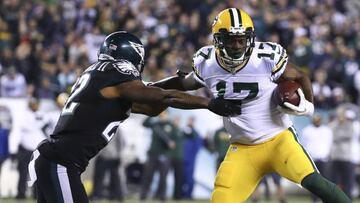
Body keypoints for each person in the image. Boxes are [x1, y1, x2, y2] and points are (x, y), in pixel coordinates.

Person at [150, 8, 351, 203]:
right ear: (218, 40)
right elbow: (183, 84)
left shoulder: (265, 59)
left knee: (317, 184)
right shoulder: (207, 63)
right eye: (231, 40)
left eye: (241, 40)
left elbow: (300, 76)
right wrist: (151, 87)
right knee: (222, 198)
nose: (237, 46)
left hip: (279, 139)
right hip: (243, 147)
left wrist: (309, 106)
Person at [27, 31, 241, 203]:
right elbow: (159, 96)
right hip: (61, 162)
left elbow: (153, 105)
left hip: (55, 160)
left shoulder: (104, 78)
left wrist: (188, 81)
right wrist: (209, 103)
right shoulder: (116, 71)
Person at [140, 111, 176, 201]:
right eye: (161, 114)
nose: (163, 116)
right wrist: (152, 114)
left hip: (165, 154)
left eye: (164, 114)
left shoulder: (171, 126)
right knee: (148, 175)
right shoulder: (155, 124)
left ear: (167, 115)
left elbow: (175, 139)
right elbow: (145, 123)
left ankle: (161, 196)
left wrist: (171, 143)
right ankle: (143, 195)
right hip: (153, 154)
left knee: (163, 177)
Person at [301, 114, 333, 202]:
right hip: (312, 159)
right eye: (315, 120)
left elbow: (330, 144)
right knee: (314, 181)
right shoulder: (307, 131)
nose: (317, 121)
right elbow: (304, 145)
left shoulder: (327, 130)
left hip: (324, 159)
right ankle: (314, 200)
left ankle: (326, 199)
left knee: (326, 181)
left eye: (318, 120)